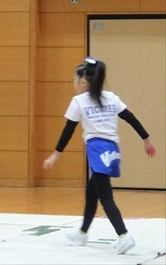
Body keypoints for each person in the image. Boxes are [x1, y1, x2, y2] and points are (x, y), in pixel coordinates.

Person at [43, 57, 157, 255]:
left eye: (74, 80)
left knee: (106, 197)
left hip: (97, 150)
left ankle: (123, 235)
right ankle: (83, 233)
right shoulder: (111, 97)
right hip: (112, 150)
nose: (74, 84)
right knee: (92, 191)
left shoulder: (78, 101)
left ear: (83, 82)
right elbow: (130, 117)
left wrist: (55, 155)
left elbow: (68, 131)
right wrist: (146, 139)